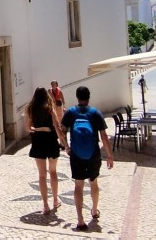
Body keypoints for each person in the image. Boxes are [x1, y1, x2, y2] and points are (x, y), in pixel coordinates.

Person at [60, 86, 114, 230]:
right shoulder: (95, 113)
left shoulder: (70, 112)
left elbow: (61, 131)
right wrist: (109, 155)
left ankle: (80, 220)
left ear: (77, 97)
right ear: (89, 97)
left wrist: (66, 146)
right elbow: (104, 137)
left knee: (78, 185)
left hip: (76, 154)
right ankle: (94, 210)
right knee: (93, 183)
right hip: (93, 154)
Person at [24, 87, 67, 215]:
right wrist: (64, 142)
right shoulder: (50, 108)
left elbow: (28, 128)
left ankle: (45, 205)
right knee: (53, 171)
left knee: (42, 175)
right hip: (50, 139)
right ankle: (55, 200)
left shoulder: (31, 109)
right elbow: (57, 126)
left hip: (38, 140)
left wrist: (36, 129)